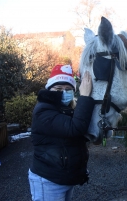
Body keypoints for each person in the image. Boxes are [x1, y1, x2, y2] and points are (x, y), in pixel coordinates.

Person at [28, 64, 94, 201]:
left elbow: (75, 136)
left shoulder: (66, 109)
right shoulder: (43, 111)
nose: (63, 92)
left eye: (68, 89)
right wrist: (85, 96)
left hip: (64, 177)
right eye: (58, 89)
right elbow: (74, 128)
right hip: (48, 180)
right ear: (49, 89)